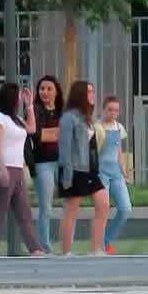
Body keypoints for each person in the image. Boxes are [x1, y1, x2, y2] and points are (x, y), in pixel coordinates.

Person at [0, 82, 46, 257]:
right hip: (1, 167)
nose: (19, 99)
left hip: (17, 169)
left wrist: (30, 105)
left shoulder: (15, 119)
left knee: (24, 210)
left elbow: (32, 129)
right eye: (18, 96)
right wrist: (2, 169)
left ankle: (35, 248)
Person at [56, 80, 110, 255]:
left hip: (90, 170)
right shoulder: (68, 118)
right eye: (89, 91)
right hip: (74, 169)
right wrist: (67, 176)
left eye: (93, 91)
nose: (92, 94)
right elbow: (64, 148)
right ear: (80, 94)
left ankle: (96, 249)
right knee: (71, 210)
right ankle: (66, 252)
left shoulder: (87, 118)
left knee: (103, 205)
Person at [27, 75, 63, 252]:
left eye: (49, 89)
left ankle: (65, 245)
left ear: (56, 92)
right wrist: (57, 133)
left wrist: (50, 134)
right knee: (46, 207)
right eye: (42, 89)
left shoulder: (62, 111)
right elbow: (36, 135)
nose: (45, 92)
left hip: (62, 162)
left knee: (69, 204)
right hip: (43, 163)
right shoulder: (35, 110)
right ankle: (44, 246)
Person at [95, 96, 132, 254]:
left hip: (116, 173)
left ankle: (107, 239)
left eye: (116, 110)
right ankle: (100, 245)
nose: (113, 113)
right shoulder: (97, 127)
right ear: (103, 109)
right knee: (103, 209)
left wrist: (124, 171)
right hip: (101, 173)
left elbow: (118, 151)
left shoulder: (119, 127)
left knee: (125, 209)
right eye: (110, 110)